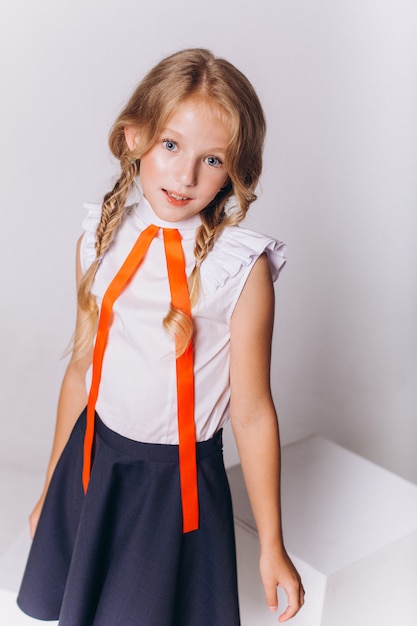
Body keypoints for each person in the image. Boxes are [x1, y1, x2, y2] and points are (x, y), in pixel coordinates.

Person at [17, 48, 304, 625]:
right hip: (92, 464)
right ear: (134, 137)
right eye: (171, 146)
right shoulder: (98, 240)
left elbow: (251, 413)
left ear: (235, 171)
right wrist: (52, 486)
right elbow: (81, 372)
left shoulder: (237, 269)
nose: (186, 175)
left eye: (213, 159)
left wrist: (271, 543)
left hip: (173, 492)